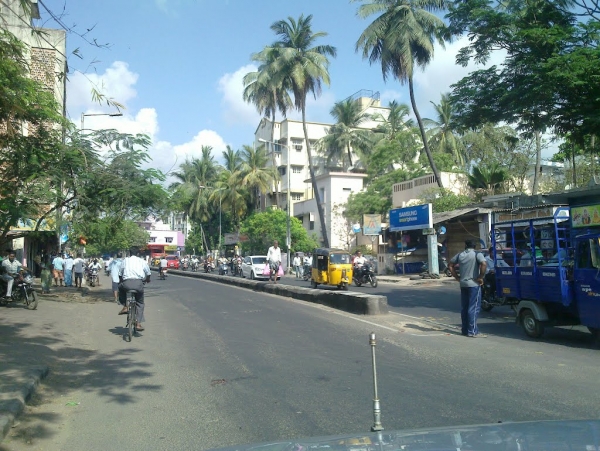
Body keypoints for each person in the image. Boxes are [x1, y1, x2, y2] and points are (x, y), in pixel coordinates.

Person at [450, 240, 487, 338]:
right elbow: (484, 264)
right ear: (474, 246)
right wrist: (480, 277)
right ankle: (473, 331)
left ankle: (465, 330)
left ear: (465, 245)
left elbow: (450, 265)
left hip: (463, 284)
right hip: (473, 284)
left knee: (465, 308)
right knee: (473, 308)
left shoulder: (460, 255)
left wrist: (457, 277)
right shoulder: (476, 254)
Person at [118, 248, 151, 332]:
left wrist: (121, 281)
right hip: (138, 284)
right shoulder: (142, 261)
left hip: (126, 283)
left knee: (120, 287)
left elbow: (120, 273)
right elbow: (148, 273)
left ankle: (125, 306)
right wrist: (147, 279)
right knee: (140, 303)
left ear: (129, 253)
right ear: (138, 254)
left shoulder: (125, 260)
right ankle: (138, 324)